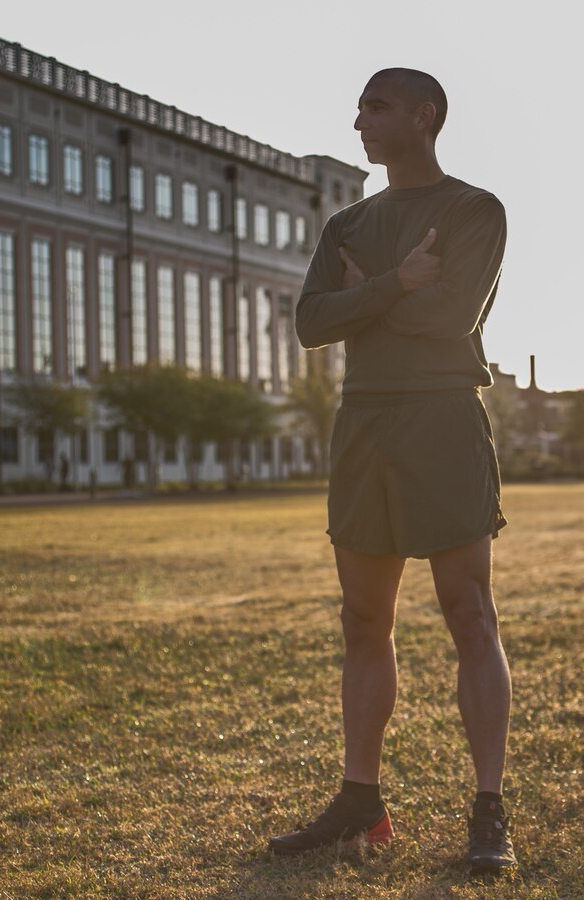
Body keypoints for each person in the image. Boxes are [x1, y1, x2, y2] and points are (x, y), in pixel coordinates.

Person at [268, 68, 517, 875]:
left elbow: (452, 319)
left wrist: (364, 300)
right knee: (360, 620)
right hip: (362, 421)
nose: (358, 123)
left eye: (374, 108)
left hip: (441, 416)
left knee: (467, 611)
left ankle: (488, 810)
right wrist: (395, 282)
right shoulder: (346, 220)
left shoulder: (472, 210)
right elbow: (309, 324)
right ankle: (359, 801)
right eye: (358, 108)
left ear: (423, 115)